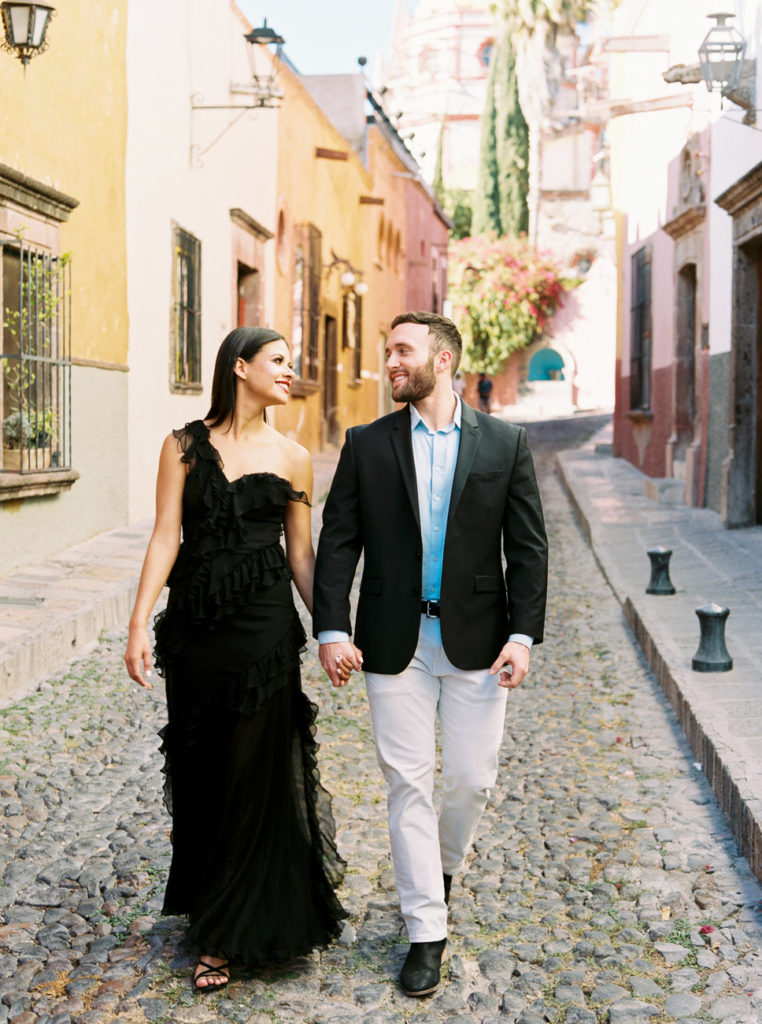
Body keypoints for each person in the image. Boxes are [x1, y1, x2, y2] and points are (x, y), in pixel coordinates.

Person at [313, 311, 548, 998]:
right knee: (406, 783)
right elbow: (338, 542)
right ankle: (426, 930)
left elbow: (529, 548)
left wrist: (522, 635)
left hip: (480, 643)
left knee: (472, 780)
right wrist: (331, 629)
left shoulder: (505, 444)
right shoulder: (367, 445)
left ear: (442, 361)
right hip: (393, 644)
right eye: (388, 351)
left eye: (401, 351)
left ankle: (438, 872)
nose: (390, 362)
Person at [124, 327, 348, 991]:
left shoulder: (296, 457)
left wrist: (333, 628)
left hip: (264, 629)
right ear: (240, 367)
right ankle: (214, 900)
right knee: (205, 766)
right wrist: (138, 623)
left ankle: (227, 934)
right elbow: (167, 534)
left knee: (257, 771)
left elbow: (301, 554)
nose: (290, 371)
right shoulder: (183, 445)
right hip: (195, 630)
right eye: (279, 361)